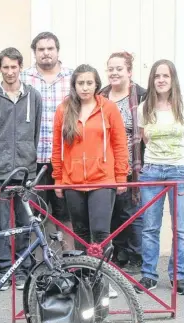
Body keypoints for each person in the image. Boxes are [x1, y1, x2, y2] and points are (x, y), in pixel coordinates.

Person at [51, 64, 129, 257]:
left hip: (102, 180)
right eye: (80, 83)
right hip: (73, 182)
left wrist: (121, 177)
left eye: (89, 83)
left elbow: (120, 145)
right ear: (74, 85)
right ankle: (84, 279)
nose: (85, 87)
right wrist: (58, 180)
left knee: (101, 233)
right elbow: (57, 148)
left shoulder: (108, 108)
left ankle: (101, 281)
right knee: (81, 233)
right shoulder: (64, 109)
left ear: (96, 85)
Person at [0, 48, 42, 291]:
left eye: (13, 67)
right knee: (2, 223)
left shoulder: (33, 96)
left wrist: (29, 155)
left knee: (26, 221)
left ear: (20, 67)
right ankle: (4, 269)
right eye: (5, 67)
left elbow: (35, 132)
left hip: (25, 170)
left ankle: (24, 268)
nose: (9, 72)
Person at [135, 60, 184, 296]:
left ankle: (178, 276)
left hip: (181, 171)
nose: (161, 80)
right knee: (150, 227)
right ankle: (149, 275)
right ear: (152, 80)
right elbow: (145, 139)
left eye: (166, 76)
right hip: (152, 171)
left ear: (173, 79)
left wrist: (177, 161)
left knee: (180, 227)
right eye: (157, 76)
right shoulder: (144, 108)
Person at [20, 32, 75, 250]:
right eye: (41, 49)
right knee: (32, 212)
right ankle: (36, 264)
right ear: (34, 52)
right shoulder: (24, 78)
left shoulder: (72, 78)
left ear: (57, 51)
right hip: (33, 159)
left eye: (50, 49)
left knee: (65, 213)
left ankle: (72, 261)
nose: (46, 53)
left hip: (64, 159)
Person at [99, 51, 147, 274]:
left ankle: (137, 256)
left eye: (119, 68)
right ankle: (119, 254)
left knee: (133, 214)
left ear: (129, 71)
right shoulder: (100, 97)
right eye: (111, 69)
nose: (114, 73)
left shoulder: (142, 97)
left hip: (132, 166)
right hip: (105, 168)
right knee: (112, 214)